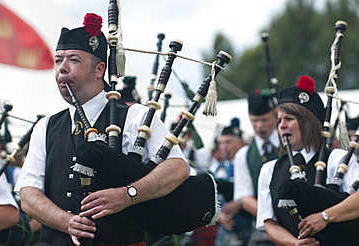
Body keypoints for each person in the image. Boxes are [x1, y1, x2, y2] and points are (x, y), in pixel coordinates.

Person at [14, 13, 189, 246]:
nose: (62, 69)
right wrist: (65, 221)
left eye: (73, 60)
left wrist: (129, 194)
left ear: (99, 70)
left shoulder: (135, 117)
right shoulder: (45, 127)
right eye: (58, 60)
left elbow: (178, 168)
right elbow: (28, 194)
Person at [256, 75, 359, 246]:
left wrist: (324, 217)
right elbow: (269, 222)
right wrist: (295, 243)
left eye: (289, 119)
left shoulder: (336, 159)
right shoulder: (269, 169)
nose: (281, 126)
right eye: (279, 120)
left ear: (308, 123)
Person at [234, 89, 279, 246]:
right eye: (254, 120)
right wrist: (274, 218)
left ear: (275, 115)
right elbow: (245, 199)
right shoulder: (243, 155)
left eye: (264, 120)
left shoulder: (289, 146)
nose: (259, 126)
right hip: (263, 232)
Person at [209, 118, 253, 246]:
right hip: (225, 231)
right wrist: (218, 216)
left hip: (248, 225)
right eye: (221, 143)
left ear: (241, 143)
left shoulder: (250, 165)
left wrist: (241, 203)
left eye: (228, 142)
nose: (224, 147)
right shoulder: (216, 168)